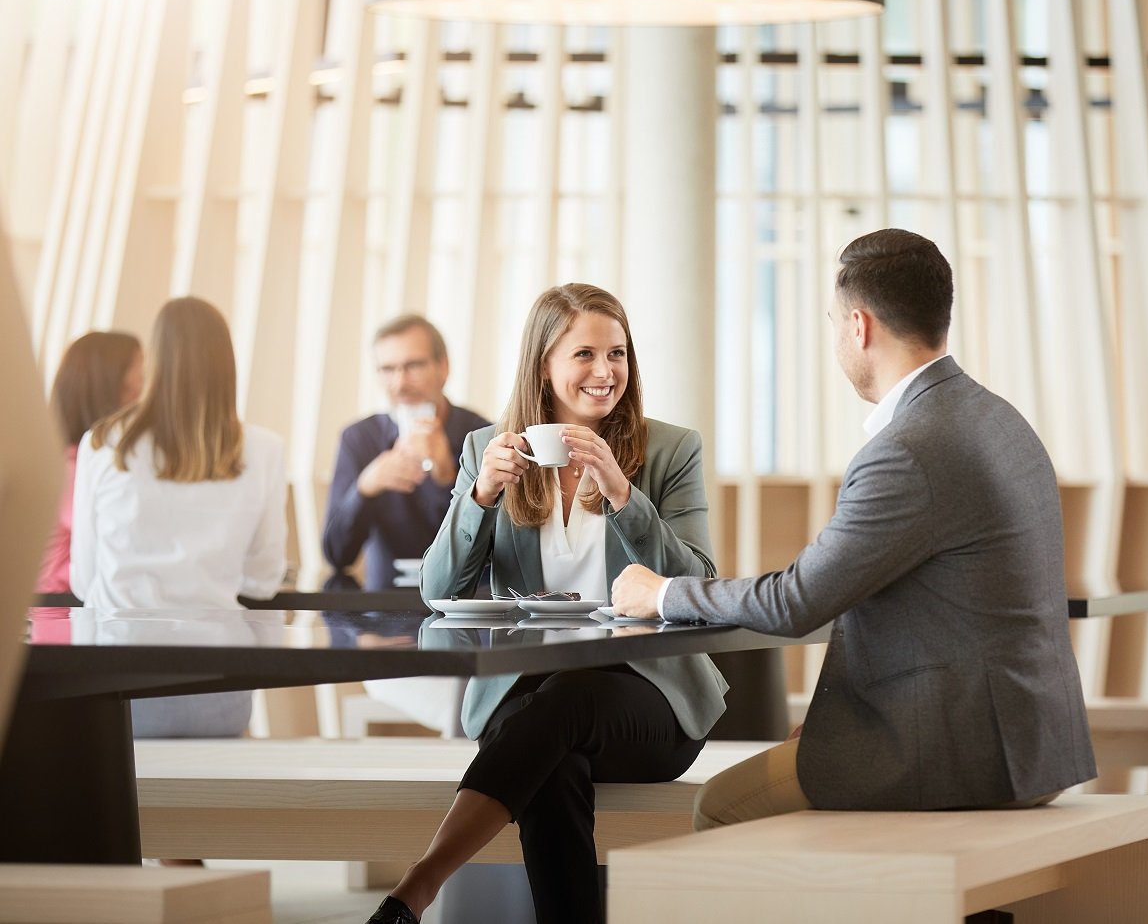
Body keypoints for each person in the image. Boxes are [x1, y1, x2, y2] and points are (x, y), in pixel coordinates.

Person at [613, 228, 1097, 826]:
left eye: (833, 321)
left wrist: (659, 591)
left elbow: (796, 602)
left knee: (716, 808)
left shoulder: (909, 450)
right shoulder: (998, 419)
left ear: (859, 327)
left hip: (956, 755)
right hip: (1033, 743)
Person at [366, 284, 727, 924]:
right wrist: (477, 496)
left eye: (617, 354)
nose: (605, 371)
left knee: (564, 701)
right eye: (584, 354)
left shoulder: (671, 450)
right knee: (554, 763)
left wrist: (623, 494)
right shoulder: (487, 450)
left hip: (648, 695)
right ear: (543, 366)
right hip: (535, 699)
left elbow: (697, 584)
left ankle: (417, 887)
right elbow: (438, 590)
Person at [71, 296, 286, 739]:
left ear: (155, 360)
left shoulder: (103, 442)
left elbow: (84, 576)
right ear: (227, 362)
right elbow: (264, 579)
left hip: (116, 687)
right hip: (218, 687)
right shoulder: (264, 448)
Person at [322, 314, 489, 590]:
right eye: (387, 369)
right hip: (384, 608)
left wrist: (447, 475)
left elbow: (492, 549)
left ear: (443, 367)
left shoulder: (481, 435)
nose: (400, 383)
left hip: (466, 602)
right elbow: (337, 556)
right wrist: (365, 487)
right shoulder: (359, 439)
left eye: (414, 366)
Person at [36, 330, 144, 593]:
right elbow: (119, 530)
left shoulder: (76, 457)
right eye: (139, 373)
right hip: (61, 609)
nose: (144, 390)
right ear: (111, 385)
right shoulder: (71, 465)